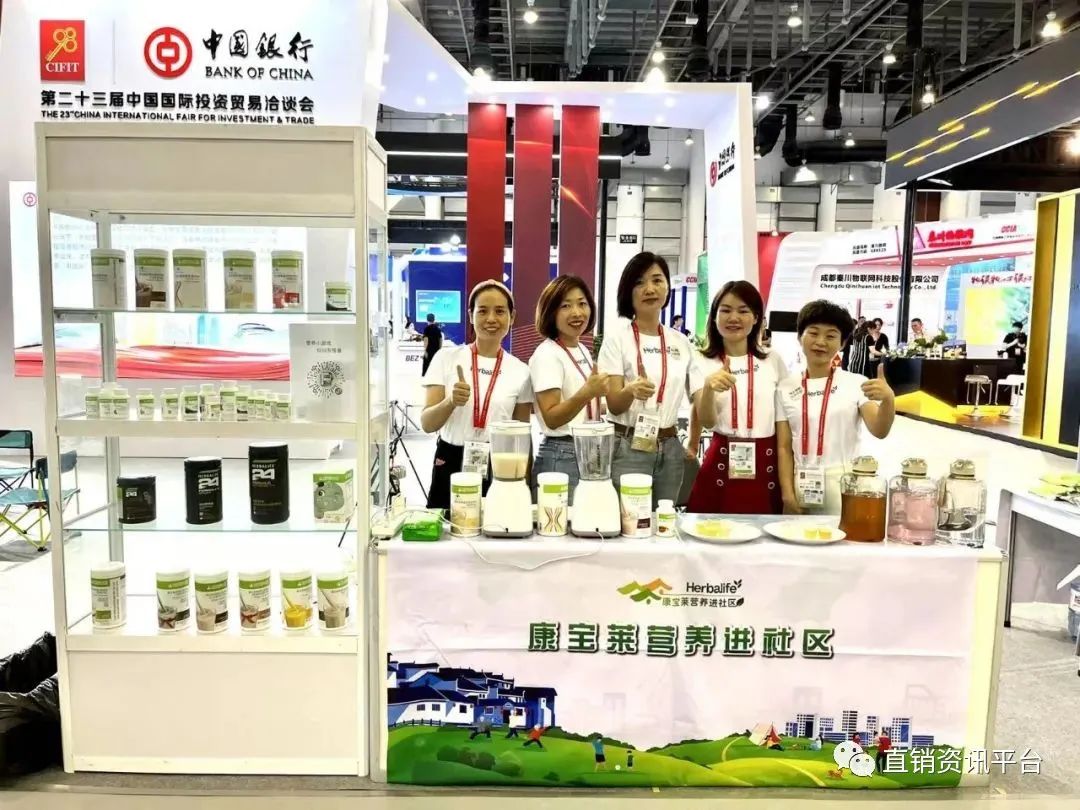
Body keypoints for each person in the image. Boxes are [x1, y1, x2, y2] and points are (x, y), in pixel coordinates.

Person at [776, 300, 896, 515]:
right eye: (813, 333)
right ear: (800, 337)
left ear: (842, 343)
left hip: (844, 482)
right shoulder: (785, 387)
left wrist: (888, 399)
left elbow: (879, 430)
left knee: (843, 536)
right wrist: (786, 493)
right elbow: (784, 447)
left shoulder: (855, 383)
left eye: (831, 336)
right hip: (800, 480)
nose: (820, 342)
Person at [420, 281, 533, 510]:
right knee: (447, 528)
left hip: (499, 462)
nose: (491, 319)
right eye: (482, 311)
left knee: (497, 527)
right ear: (471, 315)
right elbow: (427, 424)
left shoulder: (520, 371)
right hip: (450, 458)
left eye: (500, 311)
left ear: (512, 317)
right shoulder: (446, 358)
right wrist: (450, 402)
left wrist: (525, 485)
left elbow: (522, 436)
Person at [600, 253, 697, 507]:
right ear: (628, 291)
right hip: (628, 444)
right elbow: (614, 405)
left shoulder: (681, 342)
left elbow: (698, 397)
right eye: (639, 282)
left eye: (657, 280)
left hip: (670, 445)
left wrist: (694, 441)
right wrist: (630, 390)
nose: (650, 289)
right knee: (629, 520)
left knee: (665, 519)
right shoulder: (617, 340)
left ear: (667, 286)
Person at [685, 281, 788, 515]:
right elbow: (708, 421)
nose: (734, 318)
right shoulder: (701, 361)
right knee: (713, 532)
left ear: (756, 318)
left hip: (767, 461)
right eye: (725, 310)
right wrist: (709, 388)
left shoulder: (772, 360)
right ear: (714, 317)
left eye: (743, 311)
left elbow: (784, 420)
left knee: (764, 533)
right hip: (721, 460)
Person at [529, 276, 608, 499]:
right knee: (559, 520)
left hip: (587, 449)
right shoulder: (547, 354)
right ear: (551, 312)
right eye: (566, 306)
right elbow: (552, 417)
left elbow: (582, 408)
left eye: (582, 304)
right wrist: (588, 392)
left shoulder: (581, 349)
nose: (577, 312)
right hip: (562, 453)